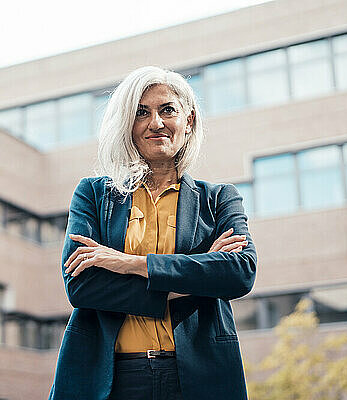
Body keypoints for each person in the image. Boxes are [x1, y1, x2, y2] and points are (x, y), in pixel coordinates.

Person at [48, 66, 257, 400]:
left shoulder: (219, 199)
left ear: (188, 121)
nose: (156, 123)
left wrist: (129, 263)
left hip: (199, 377)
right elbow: (81, 284)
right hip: (111, 378)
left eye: (167, 110)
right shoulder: (94, 195)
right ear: (127, 126)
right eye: (141, 112)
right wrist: (198, 275)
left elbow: (239, 273)